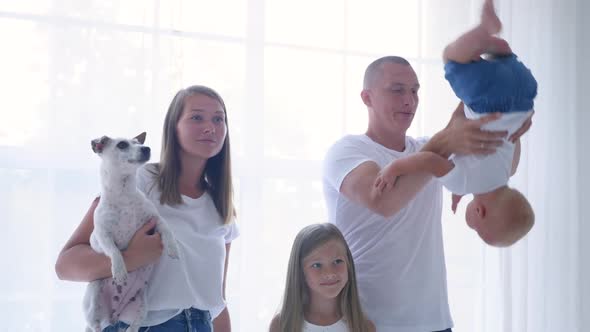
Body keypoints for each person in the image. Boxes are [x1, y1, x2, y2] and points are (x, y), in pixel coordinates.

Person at [322, 44, 532, 332]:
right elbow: (383, 201)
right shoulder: (347, 151)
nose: (409, 100)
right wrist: (446, 142)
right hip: (367, 322)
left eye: (414, 90)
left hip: (434, 322)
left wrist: (513, 117)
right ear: (367, 97)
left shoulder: (428, 148)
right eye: (397, 90)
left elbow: (503, 166)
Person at [55, 85, 239, 332]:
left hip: (201, 324)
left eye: (219, 119)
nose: (210, 127)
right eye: (197, 117)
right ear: (173, 127)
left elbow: (218, 300)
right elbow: (66, 265)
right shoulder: (140, 180)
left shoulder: (221, 205)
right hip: (142, 324)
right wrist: (130, 259)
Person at [374, 0, 536, 247]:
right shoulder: (461, 181)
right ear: (480, 212)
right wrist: (395, 169)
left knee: (492, 64)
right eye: (479, 232)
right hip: (490, 101)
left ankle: (498, 49)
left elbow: (483, 162)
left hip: (523, 95)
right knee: (451, 59)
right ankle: (484, 29)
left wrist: (463, 187)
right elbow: (428, 161)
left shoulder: (505, 173)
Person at [269, 223, 375, 332]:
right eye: (317, 265)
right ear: (300, 272)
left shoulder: (364, 327)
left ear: (349, 264)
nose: (329, 273)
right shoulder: (281, 325)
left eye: (337, 261)